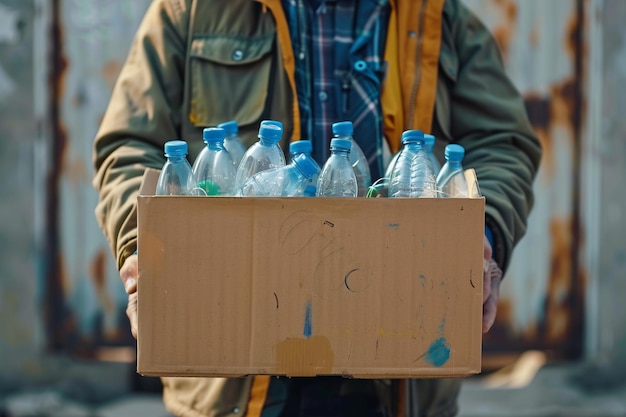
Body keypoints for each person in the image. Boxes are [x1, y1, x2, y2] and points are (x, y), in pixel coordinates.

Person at [92, 0, 542, 416]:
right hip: (235, 373)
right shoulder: (192, 10)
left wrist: (482, 236)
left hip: (399, 363)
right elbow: (131, 145)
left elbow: (503, 143)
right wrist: (141, 245)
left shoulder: (435, 15)